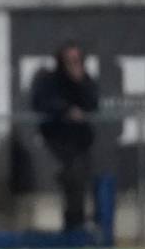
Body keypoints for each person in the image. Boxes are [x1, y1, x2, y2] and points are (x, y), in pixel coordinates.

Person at [30, 41, 99, 232]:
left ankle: (83, 223)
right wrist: (66, 110)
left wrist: (79, 81)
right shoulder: (48, 79)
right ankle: (74, 224)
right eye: (69, 61)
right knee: (73, 174)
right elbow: (42, 102)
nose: (74, 64)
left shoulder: (85, 80)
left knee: (84, 176)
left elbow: (93, 102)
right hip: (55, 140)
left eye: (77, 60)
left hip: (80, 141)